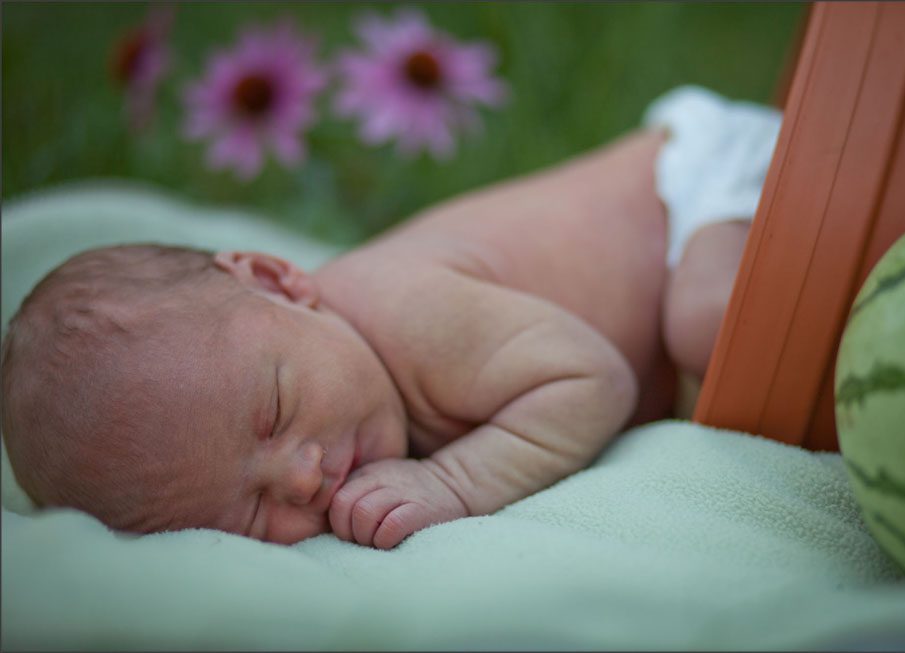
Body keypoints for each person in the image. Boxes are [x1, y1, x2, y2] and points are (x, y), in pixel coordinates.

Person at [0, 86, 781, 549]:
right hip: (695, 222)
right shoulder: (340, 383)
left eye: (274, 410)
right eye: (248, 513)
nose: (302, 478)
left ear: (279, 279)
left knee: (709, 325)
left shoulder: (405, 312)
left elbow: (591, 376)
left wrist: (456, 479)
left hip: (703, 186)